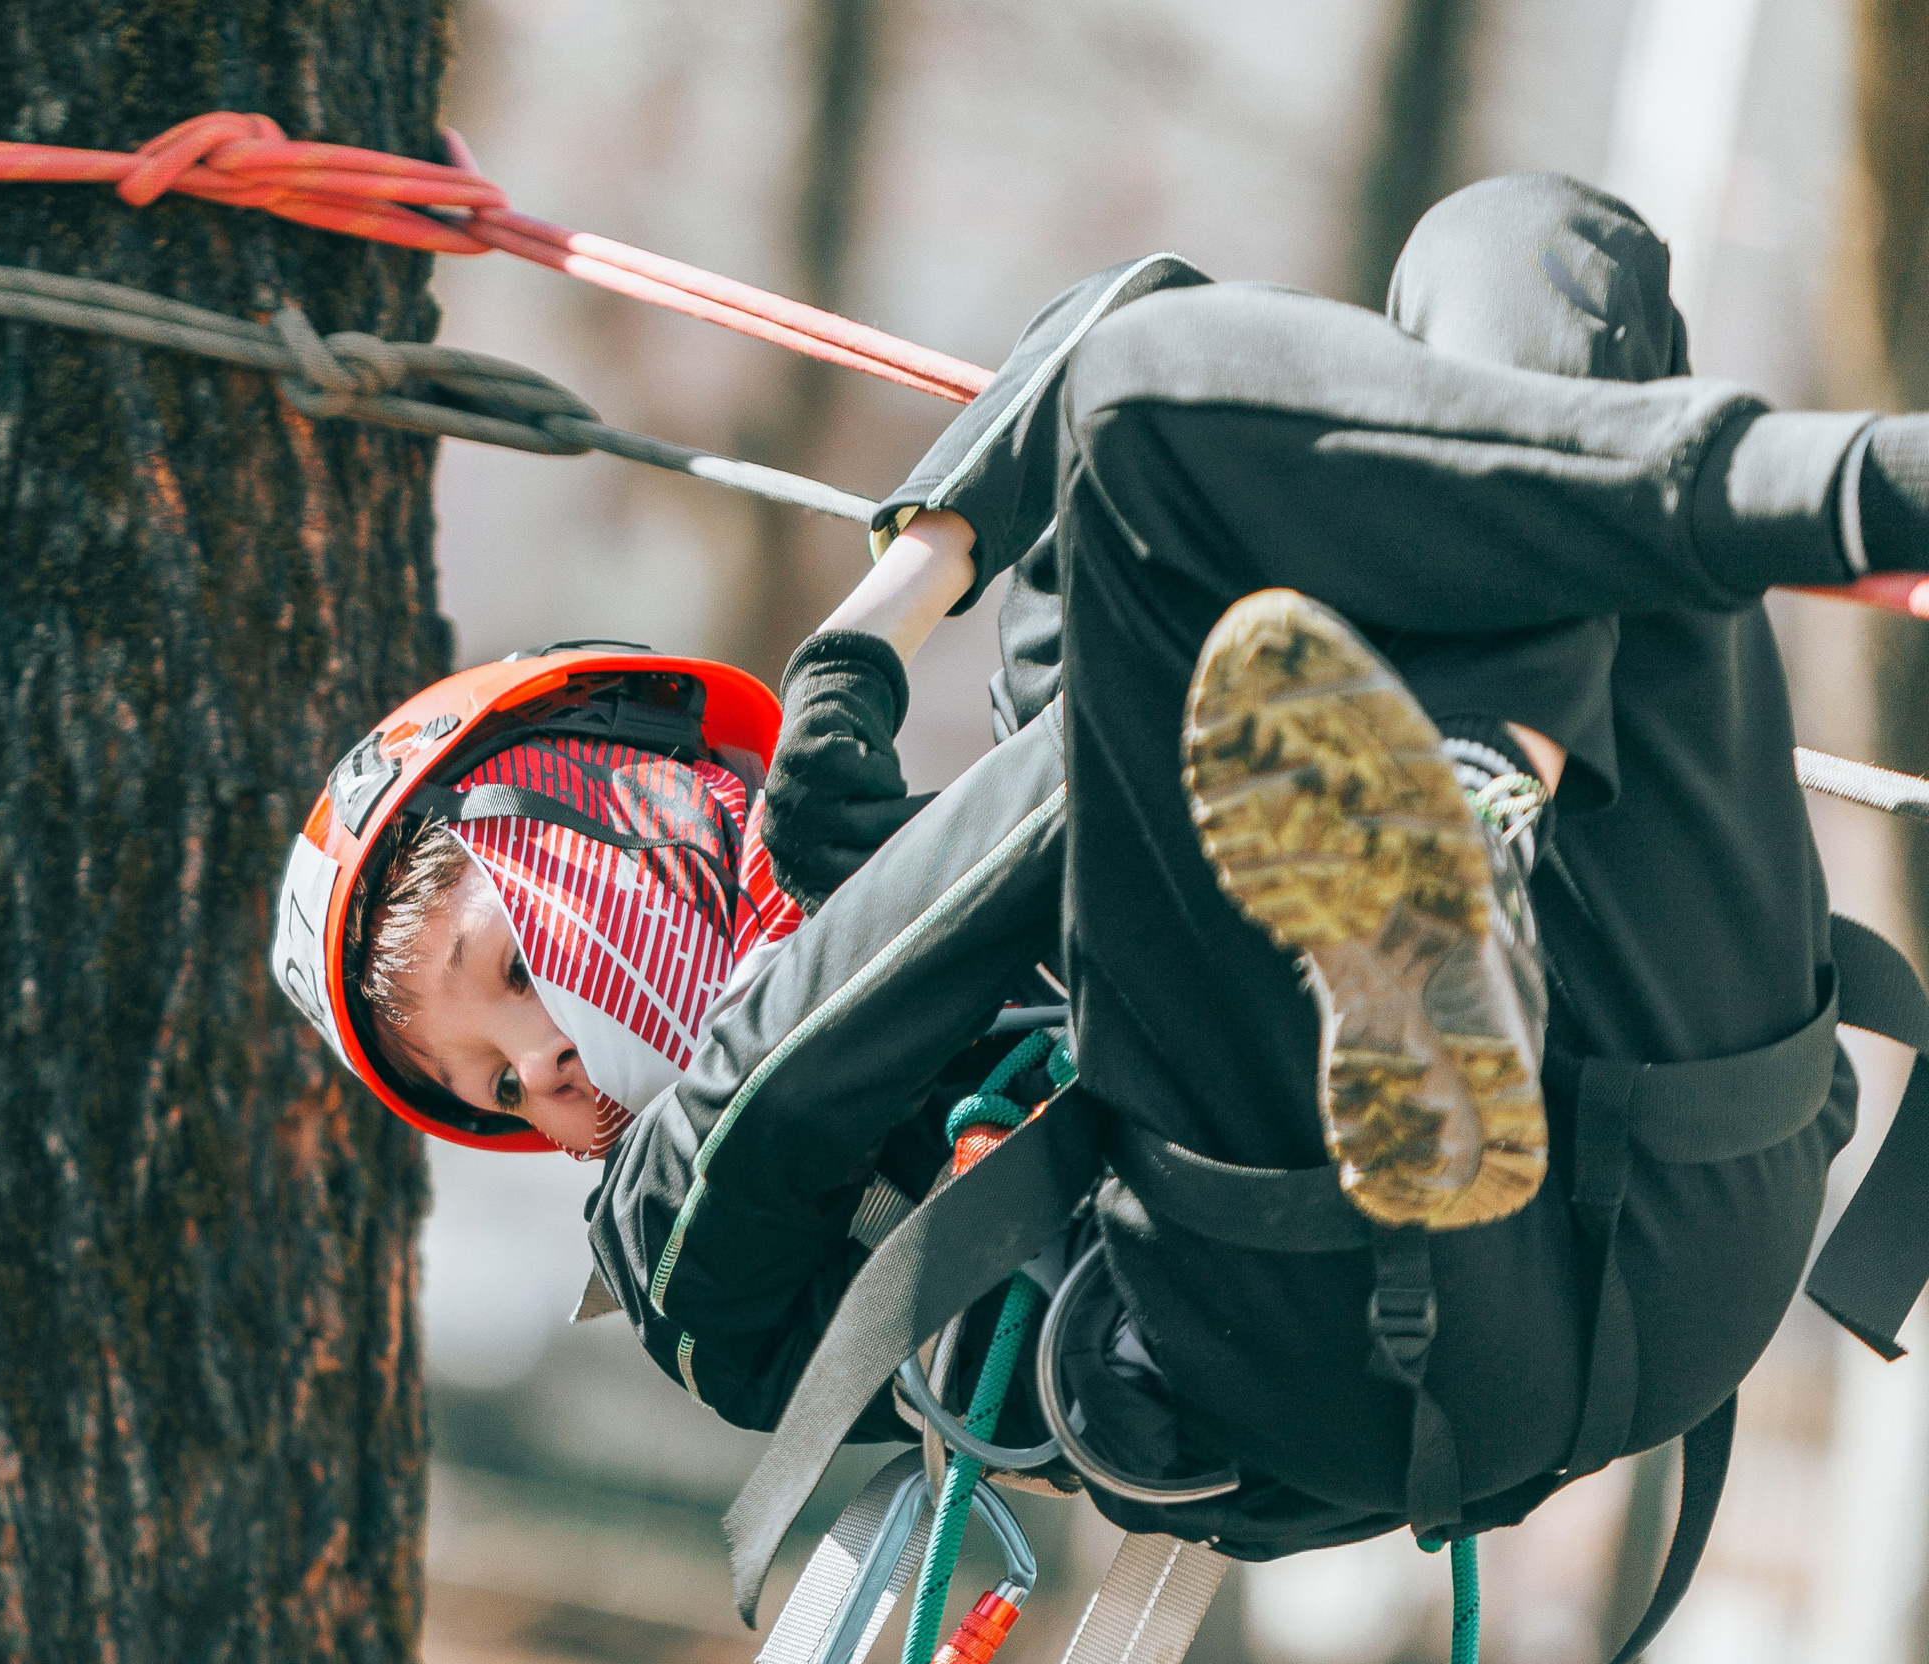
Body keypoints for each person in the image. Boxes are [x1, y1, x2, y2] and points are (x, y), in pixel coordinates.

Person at [278, 172, 1929, 1547]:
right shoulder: (671, 1249)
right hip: (1368, 1329)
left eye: (503, 981)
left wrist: (863, 639)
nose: (548, 1071)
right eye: (498, 1095)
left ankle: (1482, 802)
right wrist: (918, 864)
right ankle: (1851, 496)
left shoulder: (973, 837)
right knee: (1166, 459)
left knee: (1519, 250)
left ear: (614, 798)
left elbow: (1128, 317)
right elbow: (779, 1074)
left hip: (1687, 1141)